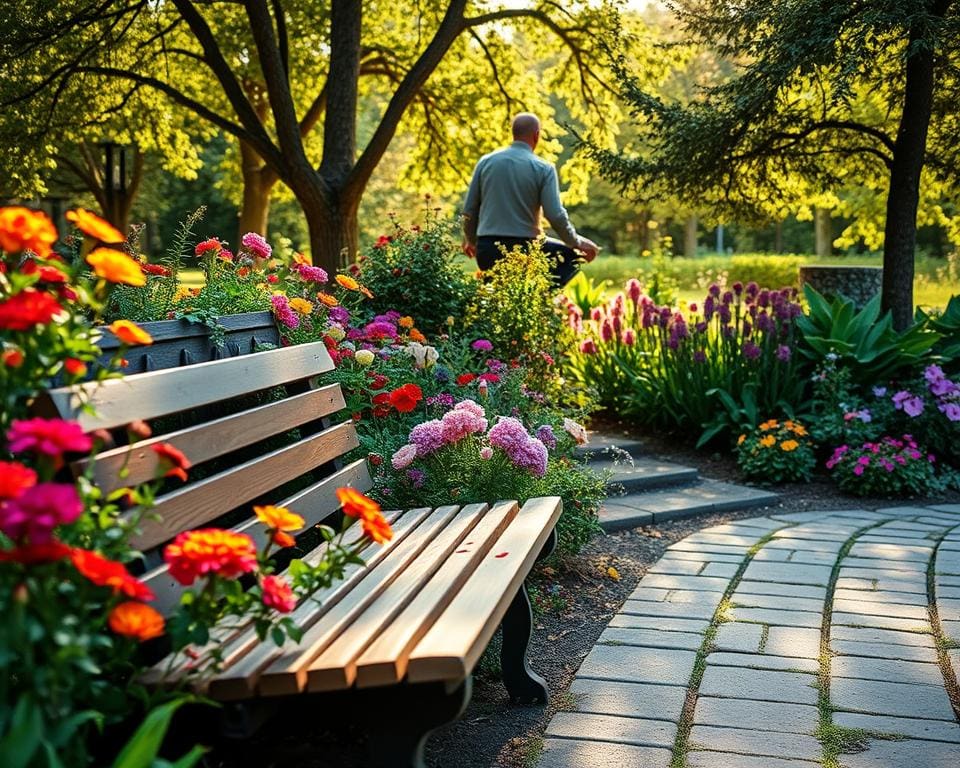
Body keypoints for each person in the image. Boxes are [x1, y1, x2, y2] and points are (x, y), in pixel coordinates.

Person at [461, 113, 599, 287]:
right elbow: (555, 215)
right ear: (537, 135)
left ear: (514, 133)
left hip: (488, 249)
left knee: (494, 299)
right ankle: (539, 301)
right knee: (571, 258)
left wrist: (472, 240)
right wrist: (576, 242)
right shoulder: (543, 168)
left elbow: (469, 211)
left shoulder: (486, 162)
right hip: (526, 249)